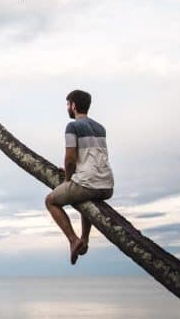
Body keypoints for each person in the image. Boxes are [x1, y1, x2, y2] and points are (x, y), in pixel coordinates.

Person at [45, 89, 114, 265]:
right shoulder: (100, 128)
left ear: (74, 105)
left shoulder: (73, 126)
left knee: (50, 201)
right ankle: (85, 239)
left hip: (87, 184)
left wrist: (68, 179)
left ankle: (73, 240)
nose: (67, 108)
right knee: (85, 198)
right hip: (107, 186)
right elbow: (89, 158)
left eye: (68, 104)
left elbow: (69, 159)